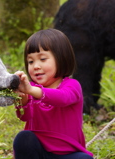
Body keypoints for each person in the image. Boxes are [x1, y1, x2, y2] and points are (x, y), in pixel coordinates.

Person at [13, 28, 94, 159]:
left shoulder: (72, 85)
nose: (35, 66)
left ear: (62, 59)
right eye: (31, 61)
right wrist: (22, 100)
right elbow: (24, 117)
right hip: (39, 152)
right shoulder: (31, 88)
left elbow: (63, 98)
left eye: (43, 59)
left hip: (68, 154)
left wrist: (31, 90)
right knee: (24, 138)